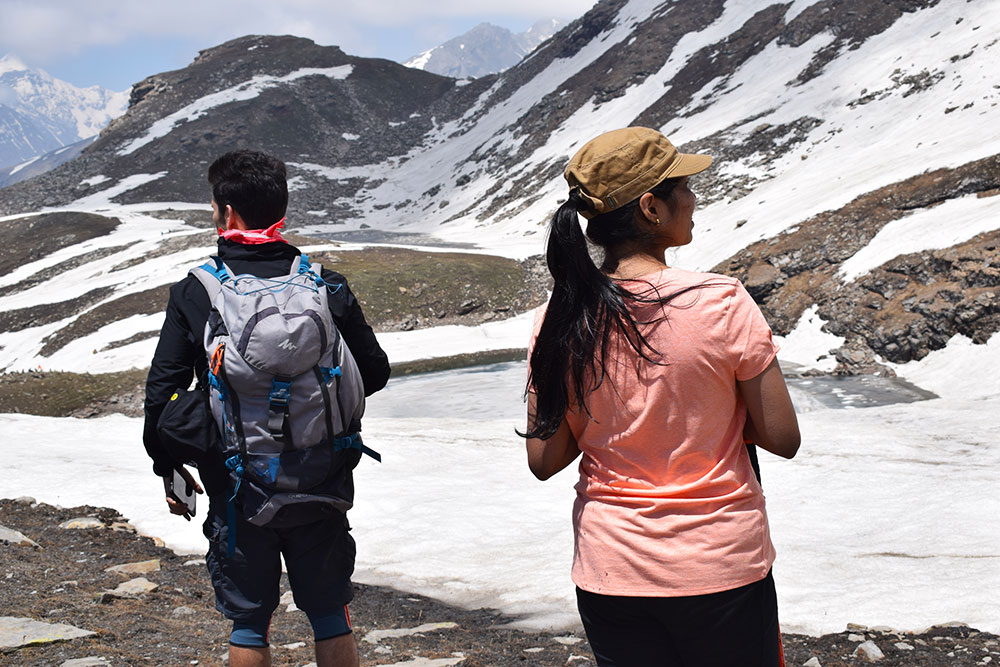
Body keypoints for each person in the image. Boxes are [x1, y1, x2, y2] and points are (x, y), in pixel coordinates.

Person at [522, 127, 800, 667]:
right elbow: (782, 437)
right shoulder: (723, 302)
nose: (694, 199)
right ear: (652, 207)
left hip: (612, 570)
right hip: (720, 563)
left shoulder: (558, 319)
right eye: (684, 187)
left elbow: (544, 459)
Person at [143, 150, 390, 667]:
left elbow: (159, 393)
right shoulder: (325, 283)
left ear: (227, 213)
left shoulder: (197, 291)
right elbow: (376, 372)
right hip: (321, 477)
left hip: (237, 485)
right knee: (329, 613)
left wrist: (168, 466)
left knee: (251, 623)